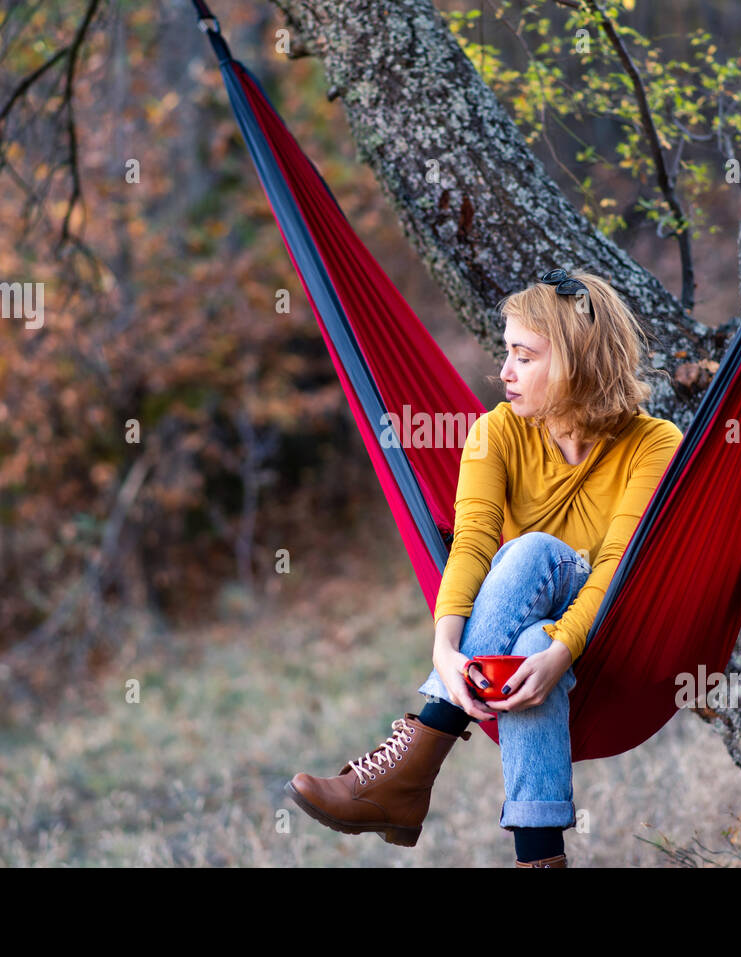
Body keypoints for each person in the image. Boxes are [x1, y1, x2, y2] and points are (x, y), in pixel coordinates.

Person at [284, 268, 684, 867]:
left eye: (523, 356)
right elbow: (470, 545)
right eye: (506, 353)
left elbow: (616, 567)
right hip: (524, 641)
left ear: (574, 362)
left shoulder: (654, 445)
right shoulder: (494, 433)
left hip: (611, 628)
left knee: (531, 550)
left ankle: (415, 764)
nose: (504, 372)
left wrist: (562, 651)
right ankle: (540, 861)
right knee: (522, 638)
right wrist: (446, 650)